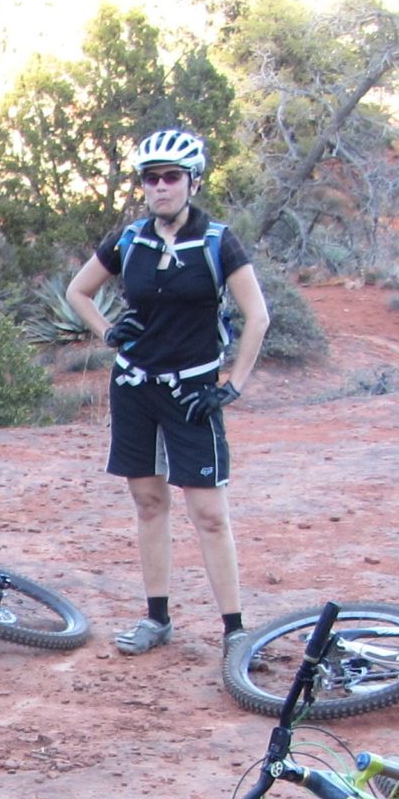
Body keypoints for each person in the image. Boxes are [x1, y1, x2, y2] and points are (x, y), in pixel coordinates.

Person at [65, 127, 272, 656]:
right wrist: (108, 333)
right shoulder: (129, 239)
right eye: (151, 178)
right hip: (134, 387)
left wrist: (232, 386)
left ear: (193, 182)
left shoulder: (217, 242)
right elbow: (78, 290)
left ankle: (235, 631)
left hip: (193, 391)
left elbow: (258, 316)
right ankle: (157, 618)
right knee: (149, 503)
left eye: (172, 178)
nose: (161, 187)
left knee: (209, 512)